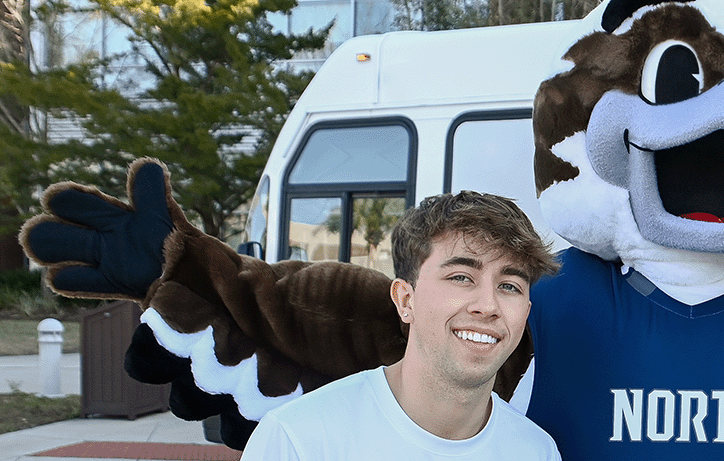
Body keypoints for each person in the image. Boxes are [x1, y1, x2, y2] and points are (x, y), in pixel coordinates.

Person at [240, 191, 563, 460]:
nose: (488, 306)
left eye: (509, 286)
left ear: (526, 311)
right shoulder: (298, 441)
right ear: (405, 300)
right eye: (462, 277)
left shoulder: (536, 451)